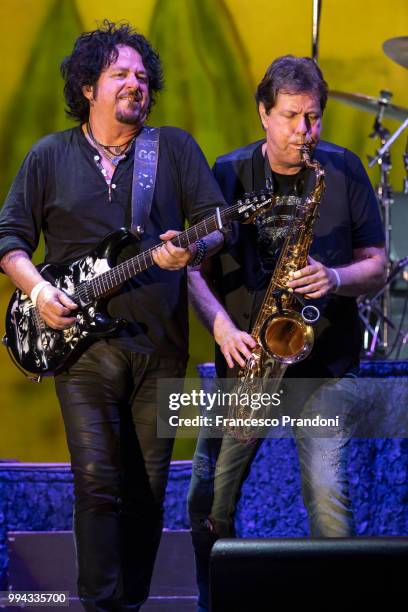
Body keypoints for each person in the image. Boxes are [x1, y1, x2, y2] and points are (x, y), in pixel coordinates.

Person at [0, 20, 225, 611]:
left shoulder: (171, 149)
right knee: (98, 481)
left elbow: (216, 225)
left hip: (161, 346)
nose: (135, 83)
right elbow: (10, 241)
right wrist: (39, 293)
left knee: (148, 490)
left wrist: (191, 249)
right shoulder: (49, 156)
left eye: (143, 77)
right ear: (87, 87)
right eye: (120, 73)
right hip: (81, 347)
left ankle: (129, 603)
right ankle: (101, 606)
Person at [187, 55, 386, 612]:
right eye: (294, 116)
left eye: (314, 117)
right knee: (208, 498)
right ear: (263, 115)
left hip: (323, 370)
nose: (306, 131)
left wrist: (336, 276)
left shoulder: (341, 171)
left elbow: (377, 264)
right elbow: (191, 272)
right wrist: (223, 327)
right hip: (247, 361)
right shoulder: (225, 175)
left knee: (328, 501)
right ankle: (212, 599)